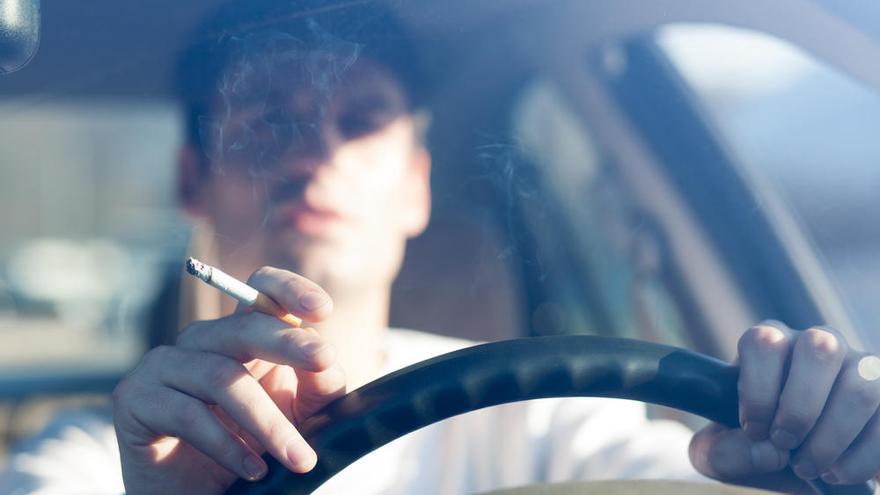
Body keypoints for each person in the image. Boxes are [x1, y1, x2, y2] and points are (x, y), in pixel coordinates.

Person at [3, 1, 880, 494]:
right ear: (192, 180)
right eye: (267, 121)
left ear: (417, 183)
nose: (315, 152)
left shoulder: (542, 410)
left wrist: (812, 457)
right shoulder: (105, 455)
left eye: (361, 120)